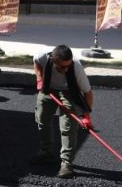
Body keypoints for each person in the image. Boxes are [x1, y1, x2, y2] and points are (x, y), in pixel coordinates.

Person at [30, 45, 93, 179]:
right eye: (62, 67)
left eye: (67, 66)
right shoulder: (42, 56)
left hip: (69, 92)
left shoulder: (76, 67)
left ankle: (66, 163)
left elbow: (87, 92)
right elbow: (36, 62)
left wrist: (86, 116)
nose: (66, 69)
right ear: (52, 60)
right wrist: (39, 79)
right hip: (48, 89)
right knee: (42, 119)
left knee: (68, 127)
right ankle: (46, 152)